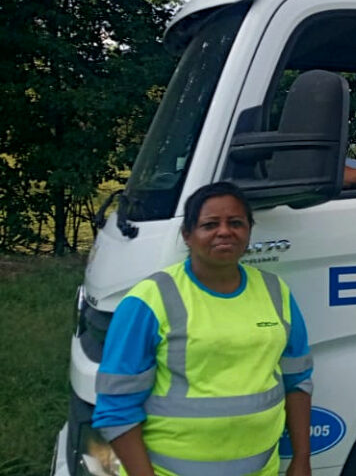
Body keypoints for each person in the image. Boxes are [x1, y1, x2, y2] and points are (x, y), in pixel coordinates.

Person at [91, 182, 313, 476]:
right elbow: (116, 408)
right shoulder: (148, 300)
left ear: (248, 232)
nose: (224, 231)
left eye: (236, 223)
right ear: (187, 235)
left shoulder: (275, 291)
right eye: (210, 224)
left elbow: (297, 380)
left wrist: (301, 458)